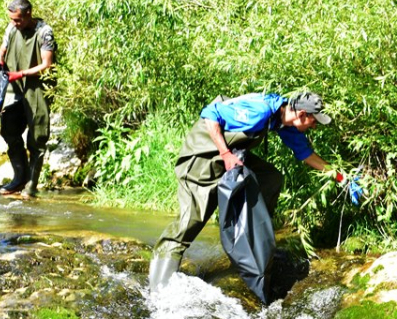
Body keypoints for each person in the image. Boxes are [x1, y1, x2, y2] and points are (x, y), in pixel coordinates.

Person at [148, 91, 350, 290]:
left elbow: (306, 154)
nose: (314, 126)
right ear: (301, 114)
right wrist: (225, 153)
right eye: (314, 122)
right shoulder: (260, 110)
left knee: (270, 178)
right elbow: (210, 114)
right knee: (191, 220)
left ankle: (250, 241)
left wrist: (342, 177)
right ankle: (159, 290)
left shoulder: (283, 122)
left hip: (228, 157)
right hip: (203, 156)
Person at [0, 0, 56, 198]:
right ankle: (19, 178)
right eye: (11, 19)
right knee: (8, 130)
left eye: (18, 20)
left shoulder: (45, 32)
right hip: (14, 88)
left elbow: (47, 65)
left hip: (38, 89)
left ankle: (31, 185)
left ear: (28, 14)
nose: (14, 23)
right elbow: (1, 52)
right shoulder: (11, 29)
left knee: (37, 138)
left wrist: (21, 74)